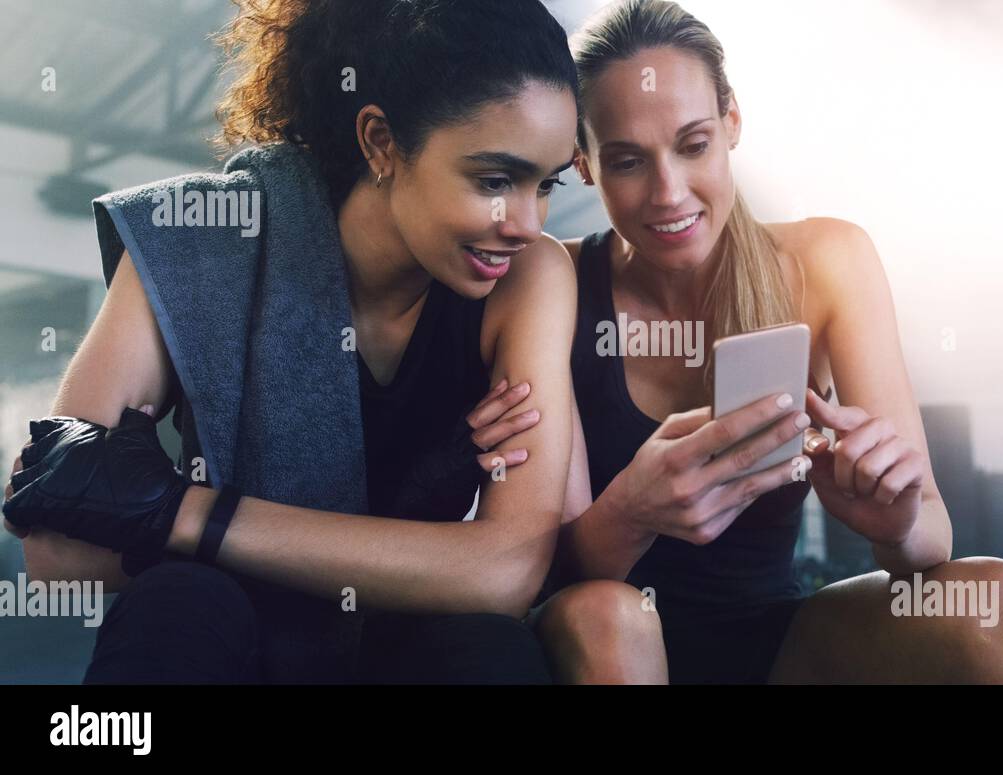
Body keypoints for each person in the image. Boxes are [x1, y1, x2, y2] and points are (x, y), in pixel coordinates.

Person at [4, 0, 662, 685]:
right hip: (234, 642)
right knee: (180, 603)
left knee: (487, 649)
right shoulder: (196, 246)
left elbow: (505, 569)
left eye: (545, 183)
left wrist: (174, 509)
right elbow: (57, 552)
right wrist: (437, 555)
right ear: (380, 142)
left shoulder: (530, 277)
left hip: (410, 649)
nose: (526, 222)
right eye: (494, 180)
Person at [533, 0, 1003, 684]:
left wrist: (893, 517)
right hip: (604, 642)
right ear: (584, 164)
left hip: (778, 643)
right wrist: (632, 511)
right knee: (609, 615)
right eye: (626, 161)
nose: (669, 192)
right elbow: (548, 570)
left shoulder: (827, 262)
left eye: (694, 144)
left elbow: (929, 540)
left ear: (732, 122)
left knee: (998, 598)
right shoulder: (552, 280)